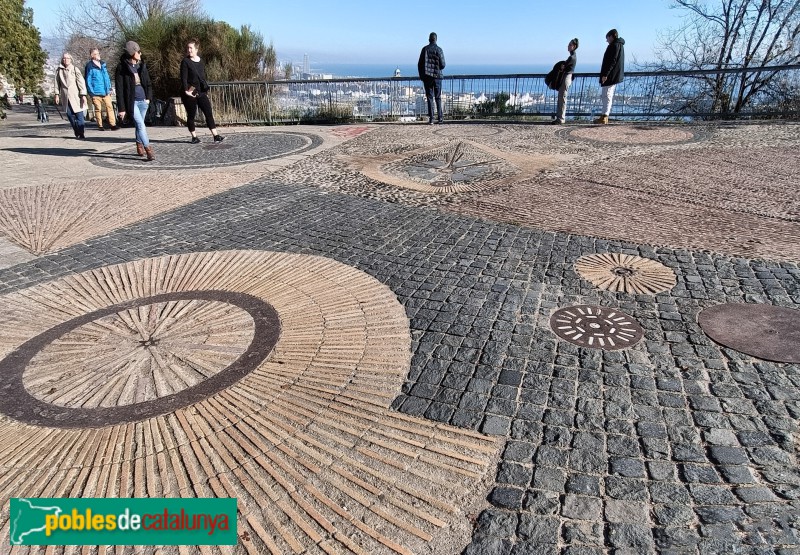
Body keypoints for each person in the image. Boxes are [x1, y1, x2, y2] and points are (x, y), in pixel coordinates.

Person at [115, 40, 155, 161]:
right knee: (141, 124)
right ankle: (148, 149)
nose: (140, 54)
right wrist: (121, 108)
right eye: (138, 51)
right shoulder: (122, 68)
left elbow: (148, 83)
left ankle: (139, 144)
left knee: (139, 125)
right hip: (131, 101)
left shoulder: (141, 66)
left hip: (143, 100)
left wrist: (148, 98)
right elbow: (120, 89)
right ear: (132, 53)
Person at [180, 38, 224, 144]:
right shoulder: (185, 61)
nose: (189, 50)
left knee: (208, 112)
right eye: (188, 48)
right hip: (191, 91)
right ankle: (194, 137)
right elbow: (183, 78)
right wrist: (186, 91)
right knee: (191, 114)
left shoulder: (201, 61)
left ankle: (216, 135)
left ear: (196, 49)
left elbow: (202, 76)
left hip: (201, 92)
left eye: (191, 48)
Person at [594, 29, 625, 124]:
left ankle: (604, 116)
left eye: (607, 38)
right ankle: (604, 115)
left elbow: (612, 61)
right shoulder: (619, 45)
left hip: (610, 76)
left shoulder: (614, 46)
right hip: (613, 75)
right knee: (607, 95)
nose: (606, 40)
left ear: (611, 36)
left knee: (607, 95)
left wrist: (605, 74)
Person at [54, 52, 88, 139]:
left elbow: (81, 82)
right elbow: (57, 83)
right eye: (64, 58)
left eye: (67, 58)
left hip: (76, 96)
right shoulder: (59, 70)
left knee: (79, 115)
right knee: (69, 115)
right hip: (65, 97)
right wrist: (57, 94)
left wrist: (83, 94)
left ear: (71, 59)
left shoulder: (75, 69)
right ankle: (76, 130)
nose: (66, 60)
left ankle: (81, 132)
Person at [84, 47, 118, 131]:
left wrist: (109, 88)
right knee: (98, 109)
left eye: (98, 53)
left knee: (109, 107)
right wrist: (91, 92)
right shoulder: (89, 66)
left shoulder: (103, 64)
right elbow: (88, 80)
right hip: (96, 92)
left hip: (106, 91)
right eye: (96, 54)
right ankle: (100, 125)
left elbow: (107, 77)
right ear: (92, 55)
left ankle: (113, 124)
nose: (98, 55)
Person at [417, 32, 446, 124]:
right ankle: (440, 118)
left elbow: (420, 64)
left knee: (429, 97)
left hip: (427, 77)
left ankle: (431, 118)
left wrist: (422, 76)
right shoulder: (439, 50)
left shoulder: (424, 49)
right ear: (436, 39)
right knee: (438, 97)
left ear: (429, 39)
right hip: (437, 77)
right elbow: (443, 64)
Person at [554, 38, 579, 125]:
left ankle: (560, 118)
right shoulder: (573, 56)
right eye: (568, 45)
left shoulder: (572, 57)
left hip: (566, 77)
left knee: (562, 97)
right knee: (561, 97)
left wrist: (561, 66)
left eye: (570, 45)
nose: (568, 46)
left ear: (574, 46)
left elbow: (563, 67)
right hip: (567, 77)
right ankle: (560, 117)